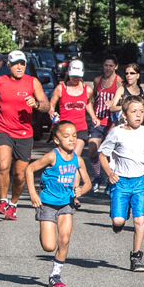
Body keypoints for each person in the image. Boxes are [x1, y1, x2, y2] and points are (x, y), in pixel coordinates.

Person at [0, 50, 50, 220]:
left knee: (19, 175)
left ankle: (13, 204)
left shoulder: (32, 82)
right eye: (15, 64)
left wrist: (36, 104)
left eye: (22, 64)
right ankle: (2, 201)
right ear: (8, 65)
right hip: (2, 129)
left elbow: (46, 106)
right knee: (3, 165)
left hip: (24, 133)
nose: (19, 67)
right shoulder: (0, 81)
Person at [98, 96, 144, 272]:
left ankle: (136, 256)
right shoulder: (117, 133)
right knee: (118, 221)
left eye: (141, 111)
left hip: (141, 182)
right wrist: (110, 173)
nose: (138, 115)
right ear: (124, 115)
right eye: (134, 112)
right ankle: (120, 214)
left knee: (140, 220)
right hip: (120, 181)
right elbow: (102, 155)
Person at [25, 120, 92, 287]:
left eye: (74, 136)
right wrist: (33, 194)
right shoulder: (52, 156)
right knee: (49, 246)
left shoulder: (78, 160)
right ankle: (45, 232)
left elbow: (87, 183)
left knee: (65, 239)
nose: (72, 139)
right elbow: (29, 169)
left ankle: (55, 274)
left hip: (66, 204)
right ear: (57, 139)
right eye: (67, 136)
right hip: (47, 203)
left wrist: (81, 191)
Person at [48, 60, 99, 196]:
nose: (75, 78)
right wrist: (52, 112)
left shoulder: (87, 90)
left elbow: (88, 103)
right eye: (72, 75)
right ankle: (58, 186)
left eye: (77, 75)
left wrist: (93, 117)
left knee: (74, 158)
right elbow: (51, 104)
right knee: (62, 159)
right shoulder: (60, 88)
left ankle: (74, 192)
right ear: (68, 73)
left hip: (80, 128)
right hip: (63, 129)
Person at [89, 55, 120, 192]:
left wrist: (113, 105)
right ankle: (97, 176)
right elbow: (92, 98)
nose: (108, 68)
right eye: (106, 65)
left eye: (111, 66)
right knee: (92, 148)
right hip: (98, 119)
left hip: (112, 121)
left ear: (116, 67)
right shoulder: (97, 80)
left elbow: (124, 101)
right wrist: (92, 114)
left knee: (108, 153)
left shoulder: (119, 81)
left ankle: (110, 179)